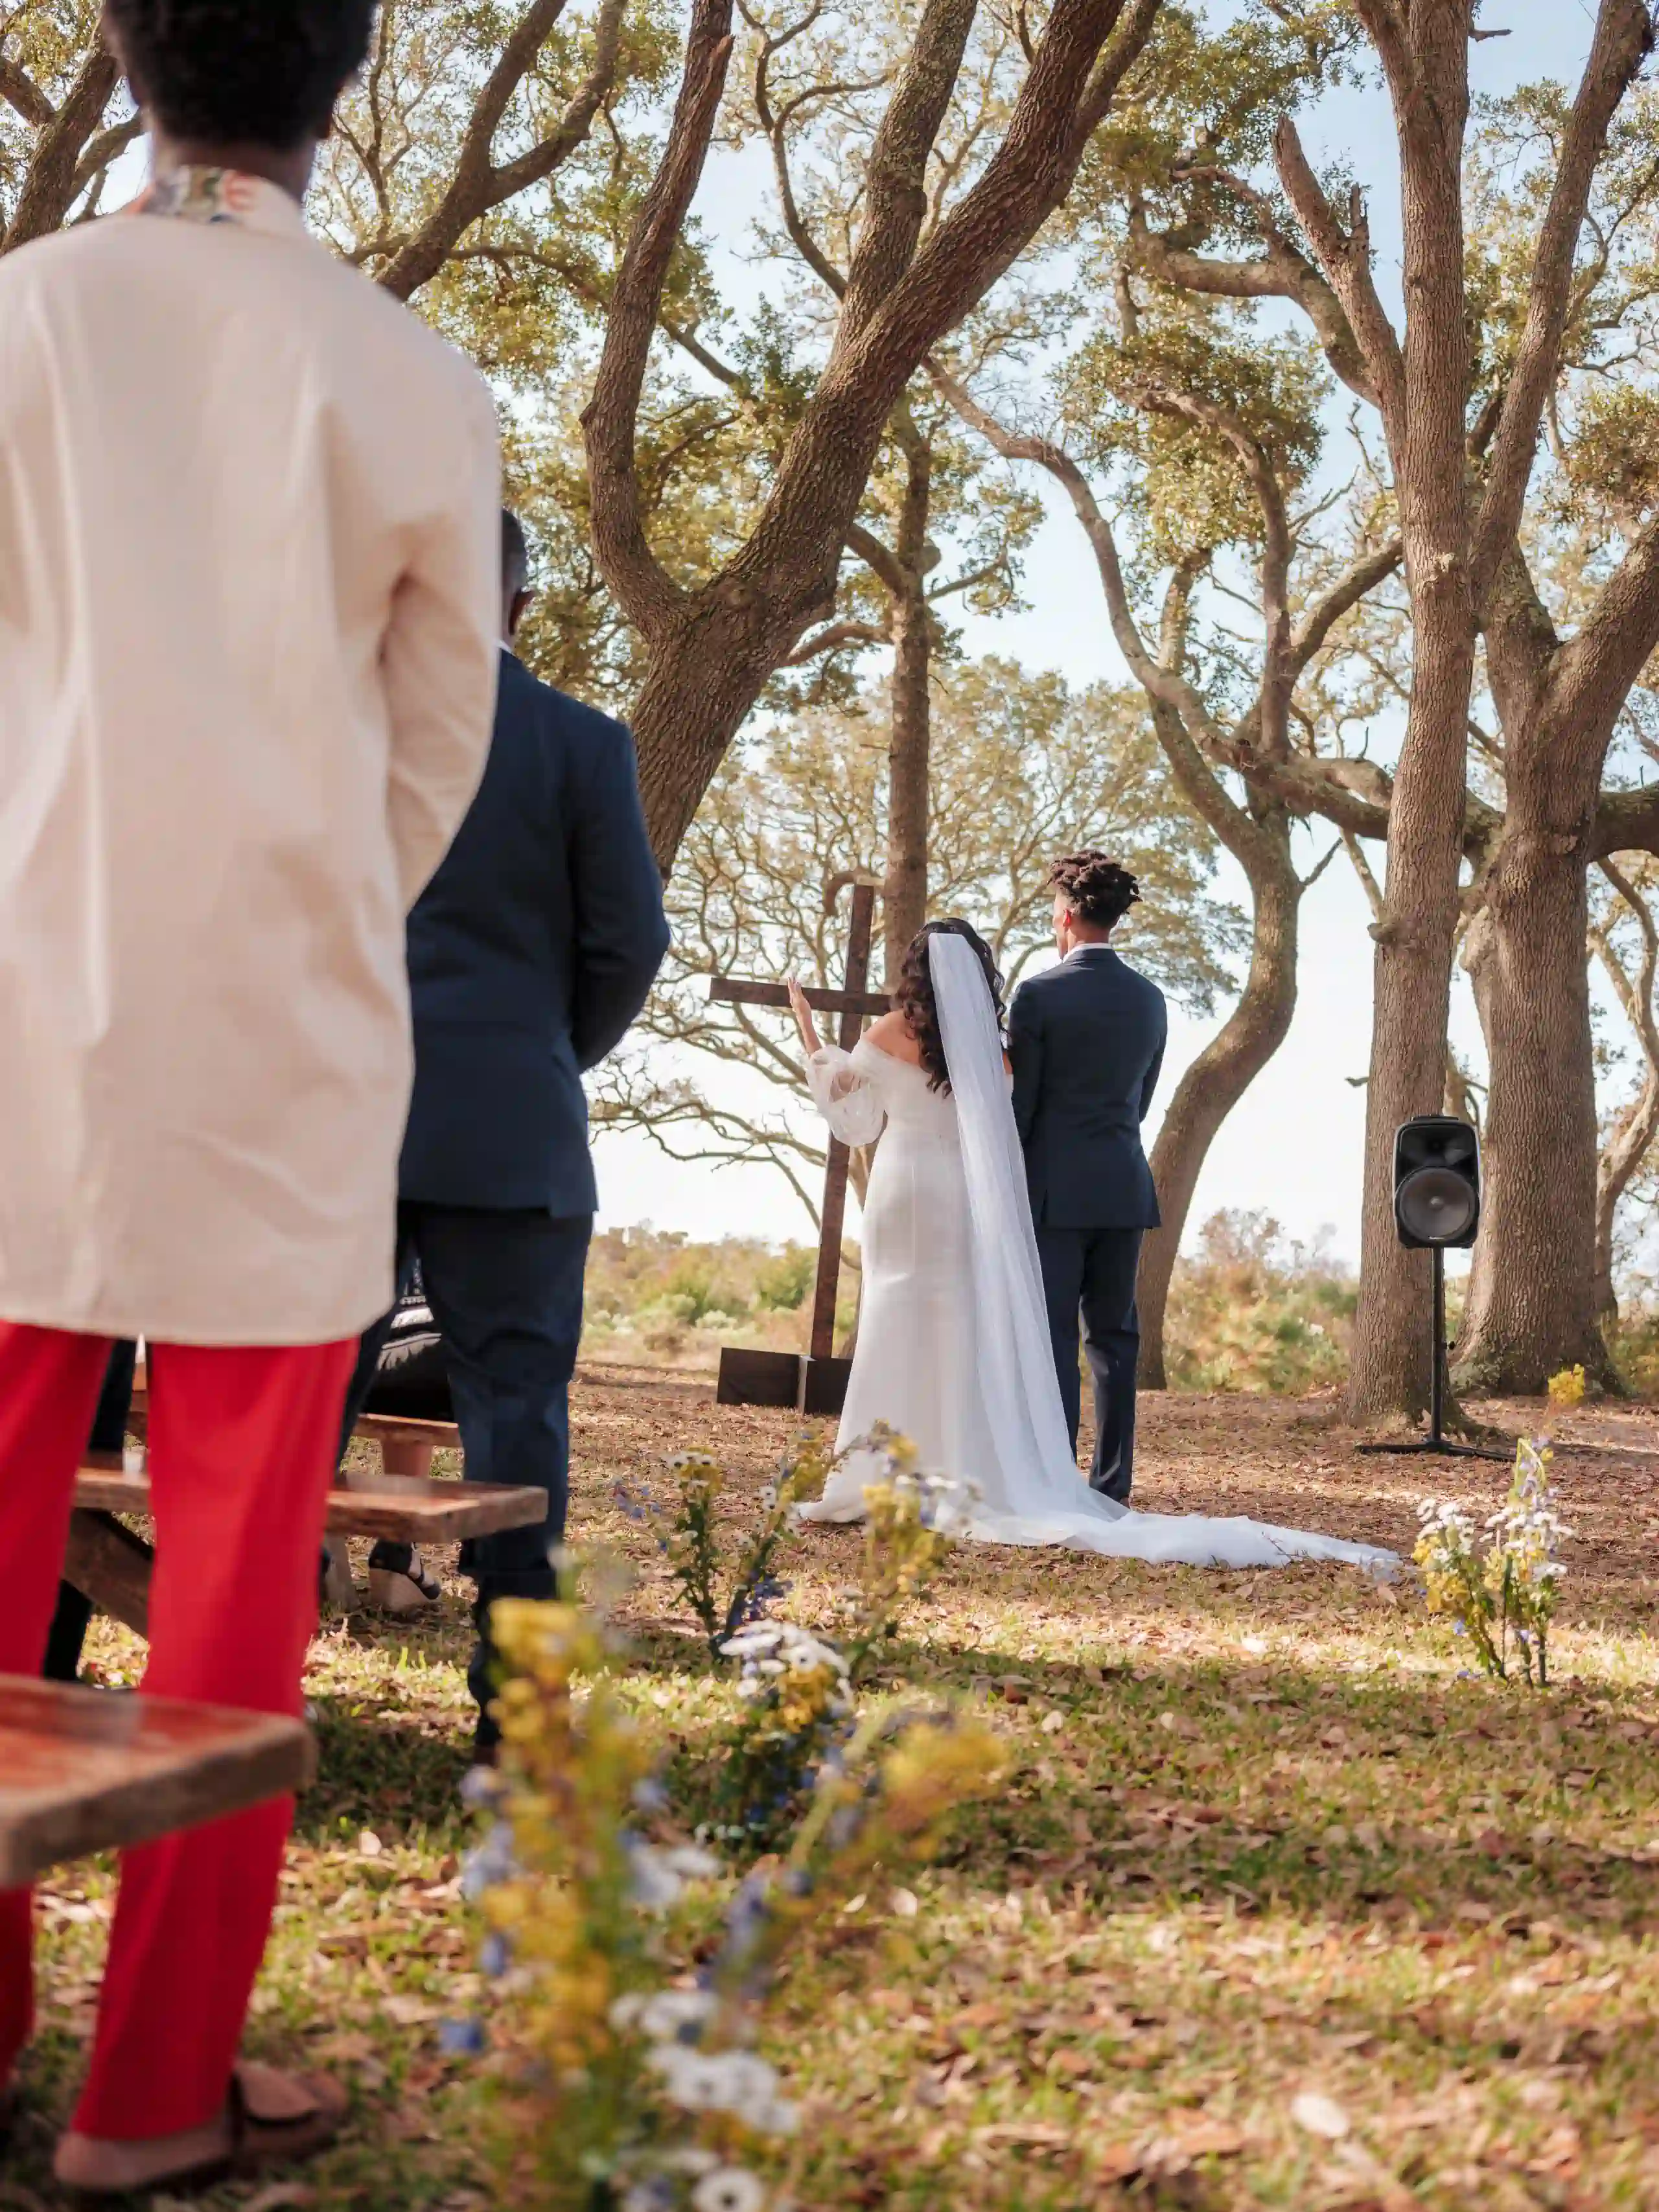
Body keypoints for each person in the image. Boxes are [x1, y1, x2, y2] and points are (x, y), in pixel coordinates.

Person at [0, 0, 502, 2192]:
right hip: (280, 1038)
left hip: (9, 1007)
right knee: (229, 1588)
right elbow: (436, 746)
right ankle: (149, 2096)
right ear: (346, 75)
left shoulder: (17, 319)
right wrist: (295, 907)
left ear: (126, 61)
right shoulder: (413, 378)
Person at [332, 509, 668, 1750]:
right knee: (519, 1414)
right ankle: (518, 1719)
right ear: (523, 604)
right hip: (513, 1129)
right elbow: (629, 942)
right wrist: (540, 1054)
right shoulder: (582, 742)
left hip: (343, 1117)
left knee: (302, 1398)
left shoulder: (336, 728)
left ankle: (246, 1679)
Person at [787, 920, 1394, 1573]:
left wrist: (810, 1036)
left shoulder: (886, 1034)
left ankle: (876, 1474)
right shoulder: (990, 1051)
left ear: (914, 971)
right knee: (958, 1325)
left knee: (894, 1319)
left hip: (904, 1192)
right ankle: (957, 1467)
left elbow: (851, 1115)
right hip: (964, 1196)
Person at [1010, 853, 1166, 1502]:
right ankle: (1112, 1485)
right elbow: (1142, 1101)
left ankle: (1055, 1480)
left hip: (1055, 1194)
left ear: (1067, 917)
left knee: (1054, 1338)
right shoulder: (1150, 999)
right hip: (1124, 1188)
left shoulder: (1038, 995)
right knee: (1115, 1341)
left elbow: (1021, 1109)